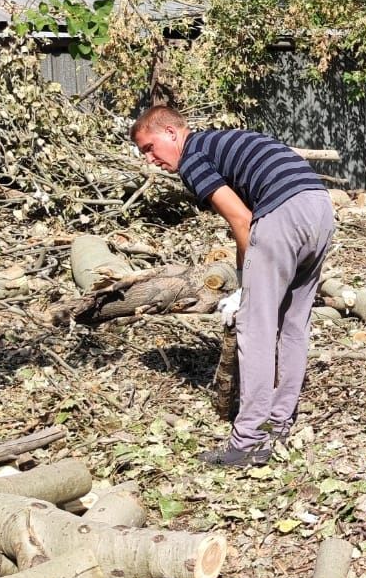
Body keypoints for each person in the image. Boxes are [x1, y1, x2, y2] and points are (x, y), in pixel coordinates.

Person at [131, 107, 335, 466]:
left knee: (254, 326)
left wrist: (243, 286)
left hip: (283, 212)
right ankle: (278, 423)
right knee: (293, 324)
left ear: (172, 133)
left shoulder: (192, 156)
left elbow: (241, 219)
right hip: (319, 207)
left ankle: (249, 441)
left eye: (150, 147)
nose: (150, 159)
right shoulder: (218, 142)